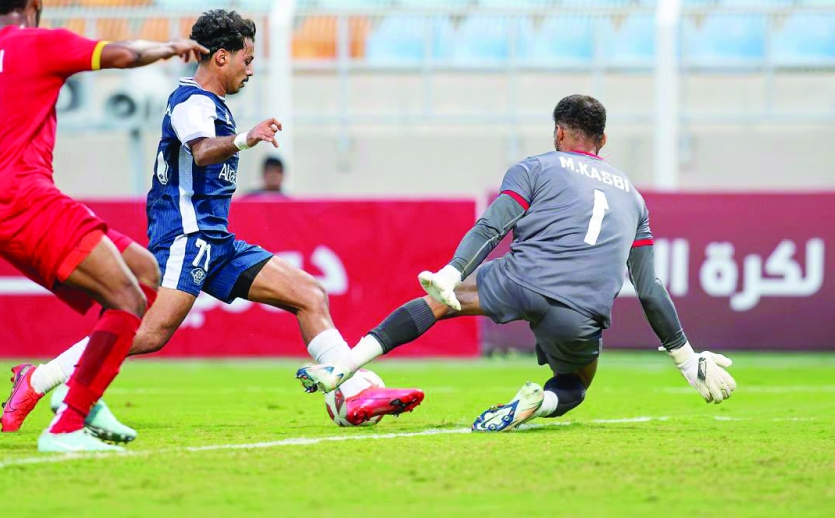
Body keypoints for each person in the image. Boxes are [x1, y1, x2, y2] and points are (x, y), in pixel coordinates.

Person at [1, 10, 424, 435]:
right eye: (247, 59)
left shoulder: (211, 103)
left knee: (309, 294)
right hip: (187, 236)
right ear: (221, 57)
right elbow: (202, 152)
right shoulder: (191, 101)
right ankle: (38, 380)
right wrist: (247, 138)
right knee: (149, 332)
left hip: (216, 240)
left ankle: (349, 395)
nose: (251, 69)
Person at [0, 0, 208, 453]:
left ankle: (79, 397)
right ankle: (67, 425)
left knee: (145, 273)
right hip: (29, 201)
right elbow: (124, 55)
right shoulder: (38, 43)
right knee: (129, 301)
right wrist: (171, 47)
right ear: (37, 1)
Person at [296, 95, 737, 432]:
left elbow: (491, 228)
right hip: (580, 311)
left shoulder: (537, 167)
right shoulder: (633, 197)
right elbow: (648, 289)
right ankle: (536, 404)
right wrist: (685, 357)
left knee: (439, 304)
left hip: (518, 279)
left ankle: (345, 367)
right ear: (602, 141)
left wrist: (451, 275)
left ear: (559, 135)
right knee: (576, 384)